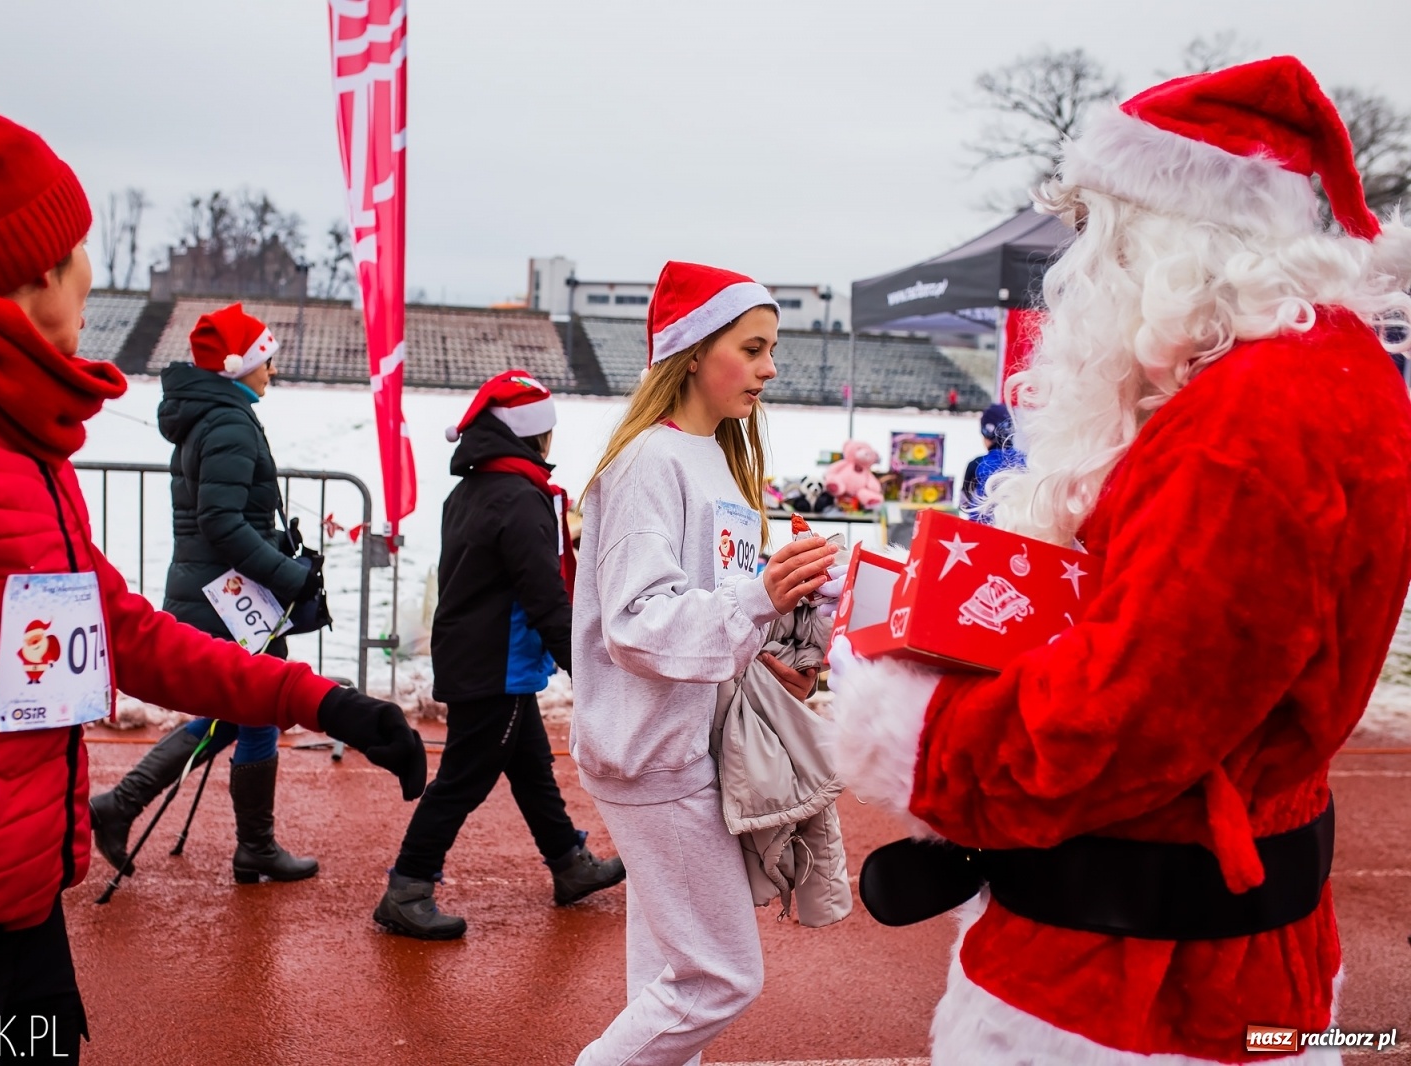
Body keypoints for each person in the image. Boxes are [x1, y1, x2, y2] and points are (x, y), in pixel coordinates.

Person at [0, 44, 424, 1058]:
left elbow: (118, 632)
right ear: (37, 267)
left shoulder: (6, 435)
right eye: (81, 252)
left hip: (10, 916)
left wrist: (324, 699)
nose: (93, 279)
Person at [830, 56, 1411, 1064]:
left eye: (1098, 228)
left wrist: (920, 732)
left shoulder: (1245, 423)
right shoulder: (1318, 374)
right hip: (1245, 948)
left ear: (1165, 235)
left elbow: (1127, 715)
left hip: (1138, 987)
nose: (1078, 265)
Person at [571, 262, 838, 1066]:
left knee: (672, 977)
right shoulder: (650, 464)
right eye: (752, 348)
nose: (770, 367)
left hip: (682, 746)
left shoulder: (716, 459)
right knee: (721, 977)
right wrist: (760, 600)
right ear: (692, 351)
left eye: (771, 348)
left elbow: (711, 613)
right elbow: (637, 625)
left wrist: (775, 648)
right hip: (653, 752)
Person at [373, 370, 625, 939]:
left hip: (474, 655)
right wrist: (585, 668)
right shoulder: (520, 497)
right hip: (497, 666)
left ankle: (568, 863)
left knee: (531, 767)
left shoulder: (473, 489)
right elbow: (543, 595)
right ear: (534, 436)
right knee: (464, 777)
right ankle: (408, 886)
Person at [89, 303, 326, 885]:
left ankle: (120, 804)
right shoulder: (227, 423)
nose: (272, 370)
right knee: (259, 706)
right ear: (237, 366)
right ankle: (255, 848)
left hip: (218, 587)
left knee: (232, 710)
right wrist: (288, 575)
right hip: (227, 592)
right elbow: (222, 523)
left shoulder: (216, 415)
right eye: (265, 360)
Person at [958, 402, 1023, 521]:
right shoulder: (1027, 463)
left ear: (986, 432)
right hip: (1019, 535)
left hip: (981, 534)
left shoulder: (977, 465)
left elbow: (964, 504)